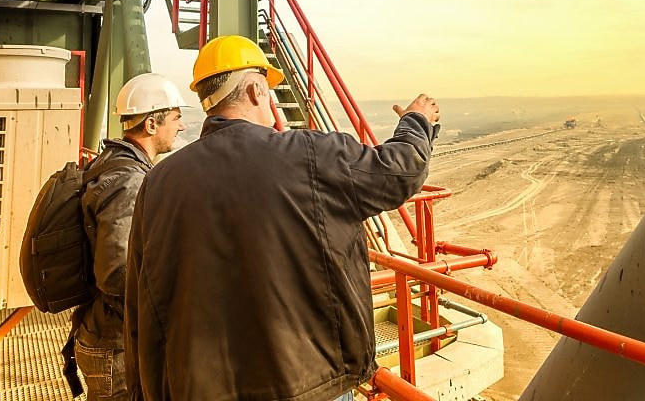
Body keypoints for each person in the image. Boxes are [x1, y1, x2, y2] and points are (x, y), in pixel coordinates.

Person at [124, 35, 441, 400]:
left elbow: (139, 303)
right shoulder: (307, 154)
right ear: (258, 90)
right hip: (308, 382)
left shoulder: (159, 182)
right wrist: (417, 122)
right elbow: (399, 171)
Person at [74, 72, 188, 401]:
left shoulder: (110, 163)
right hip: (114, 345)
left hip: (104, 335)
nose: (181, 126)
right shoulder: (129, 180)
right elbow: (118, 273)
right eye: (176, 118)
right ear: (152, 124)